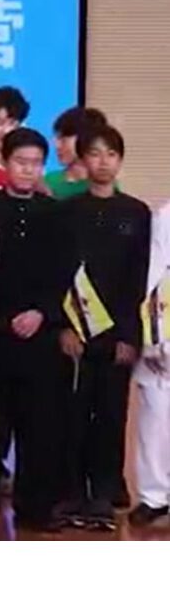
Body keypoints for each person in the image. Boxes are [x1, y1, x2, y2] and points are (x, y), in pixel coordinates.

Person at [0, 127, 74, 532]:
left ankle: (36, 508)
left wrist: (42, 312)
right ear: (5, 163)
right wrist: (2, 319)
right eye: (21, 162)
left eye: (36, 163)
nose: (28, 170)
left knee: (42, 425)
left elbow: (66, 272)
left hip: (42, 334)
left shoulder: (56, 213)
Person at [60, 124, 148, 531]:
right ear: (82, 160)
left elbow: (140, 278)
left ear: (120, 160)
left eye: (111, 154)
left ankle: (106, 489)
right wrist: (64, 328)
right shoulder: (67, 212)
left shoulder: (136, 213)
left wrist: (130, 336)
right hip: (75, 332)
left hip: (119, 334)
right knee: (74, 413)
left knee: (112, 414)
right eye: (94, 154)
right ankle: (73, 491)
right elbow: (59, 273)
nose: (103, 162)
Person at [132, 196, 170, 529]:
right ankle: (154, 497)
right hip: (163, 326)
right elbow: (153, 274)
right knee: (156, 420)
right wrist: (153, 338)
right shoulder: (165, 217)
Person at [45, 107, 110, 199]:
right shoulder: (48, 182)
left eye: (63, 139)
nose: (57, 146)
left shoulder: (104, 184)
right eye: (57, 138)